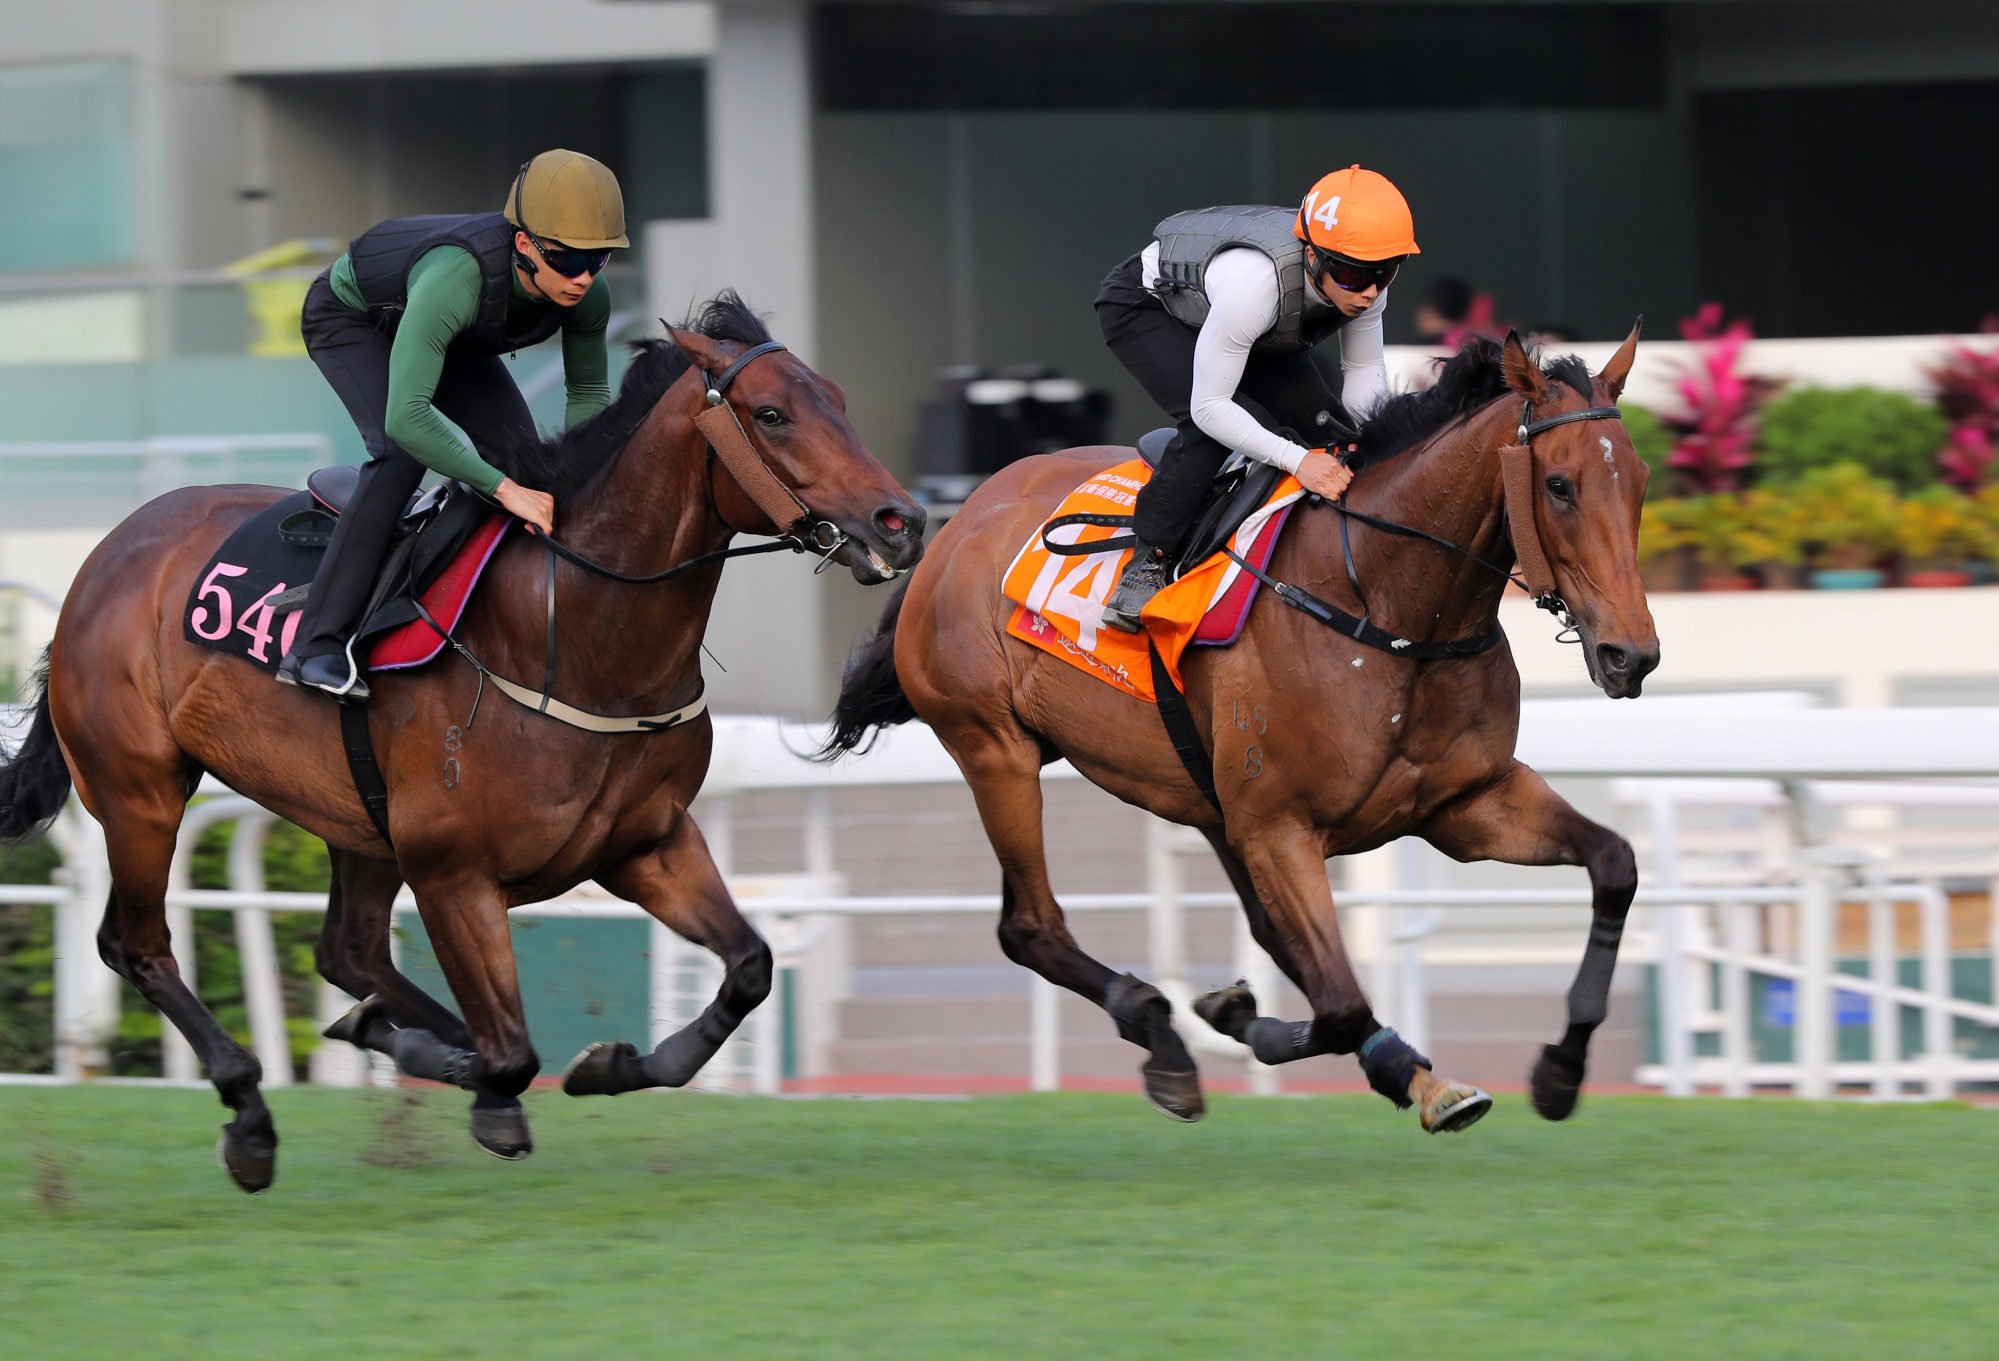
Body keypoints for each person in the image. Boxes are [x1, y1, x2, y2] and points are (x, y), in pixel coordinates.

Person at [277, 148, 629, 701]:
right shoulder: (456, 278)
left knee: (527, 460)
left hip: (455, 335)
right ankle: (316, 645)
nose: (582, 277)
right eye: (565, 260)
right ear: (523, 244)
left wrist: (575, 482)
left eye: (599, 259)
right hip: (357, 319)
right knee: (400, 454)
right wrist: (505, 490)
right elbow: (408, 415)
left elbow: (587, 392)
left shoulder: (588, 294)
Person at [1093, 164, 1419, 632]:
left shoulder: (1365, 283)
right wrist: (1298, 461)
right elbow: (1210, 408)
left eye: (1385, 274)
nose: (1368, 292)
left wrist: (1368, 444)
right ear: (1313, 257)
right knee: (1211, 431)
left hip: (1253, 324)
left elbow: (1364, 370)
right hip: (1150, 309)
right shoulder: (1254, 286)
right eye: (1351, 276)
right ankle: (1149, 562)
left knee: (1327, 427)